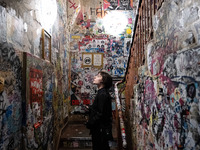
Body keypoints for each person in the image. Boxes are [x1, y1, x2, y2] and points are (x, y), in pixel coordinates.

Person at [85, 71, 113, 150]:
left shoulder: (102, 94)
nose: (94, 77)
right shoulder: (102, 92)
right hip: (100, 128)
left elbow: (101, 114)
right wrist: (91, 108)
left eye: (98, 76)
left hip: (100, 129)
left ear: (103, 80)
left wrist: (90, 123)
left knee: (99, 147)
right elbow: (101, 109)